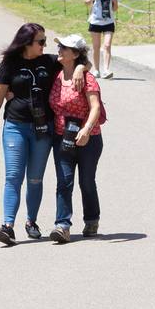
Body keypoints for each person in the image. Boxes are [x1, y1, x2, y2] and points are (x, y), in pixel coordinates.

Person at [0, 24, 88, 245]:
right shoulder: (10, 64)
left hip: (42, 130)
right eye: (41, 41)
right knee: (13, 177)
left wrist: (80, 69)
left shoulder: (49, 62)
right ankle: (7, 226)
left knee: (35, 179)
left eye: (45, 41)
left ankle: (31, 221)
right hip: (15, 128)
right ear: (27, 42)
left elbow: (81, 61)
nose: (45, 45)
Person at [48, 34, 106, 242]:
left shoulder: (87, 78)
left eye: (64, 48)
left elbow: (96, 107)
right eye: (60, 46)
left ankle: (91, 219)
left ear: (75, 54)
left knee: (86, 181)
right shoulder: (56, 72)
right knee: (64, 181)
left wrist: (87, 130)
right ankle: (62, 225)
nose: (59, 50)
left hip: (88, 139)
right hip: (62, 137)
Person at [86, 0, 119, 79]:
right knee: (96, 47)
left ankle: (106, 70)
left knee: (107, 45)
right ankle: (96, 70)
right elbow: (85, 2)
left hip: (108, 22)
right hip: (95, 22)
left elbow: (115, 9)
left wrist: (115, 2)